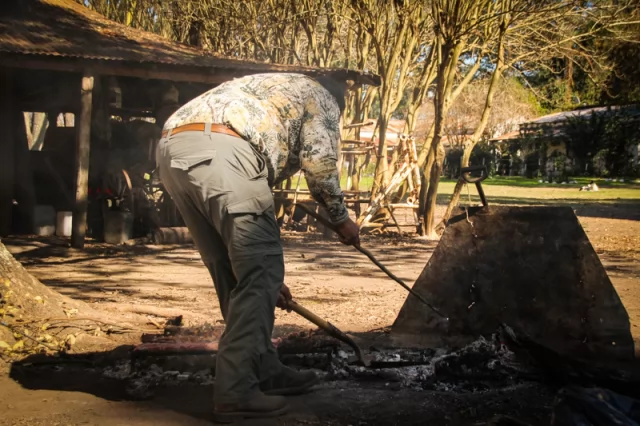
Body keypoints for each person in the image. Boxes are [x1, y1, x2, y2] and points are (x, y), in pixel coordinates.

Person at [156, 73, 360, 422]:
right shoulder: (323, 97)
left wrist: (263, 278)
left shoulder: (274, 88)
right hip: (225, 151)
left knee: (231, 268)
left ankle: (262, 368)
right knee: (260, 271)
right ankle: (236, 391)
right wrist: (341, 219)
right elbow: (320, 164)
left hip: (172, 150)